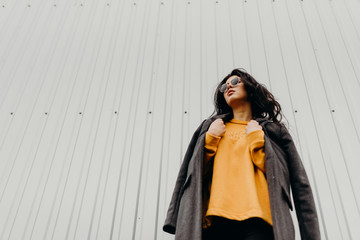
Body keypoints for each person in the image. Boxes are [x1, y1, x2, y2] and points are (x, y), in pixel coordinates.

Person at [163, 68, 321, 240]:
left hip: (259, 222)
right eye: (224, 86)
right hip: (214, 222)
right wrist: (210, 139)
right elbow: (191, 174)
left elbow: (297, 181)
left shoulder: (273, 131)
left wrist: (256, 138)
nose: (229, 86)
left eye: (236, 82)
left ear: (251, 90)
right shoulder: (211, 127)